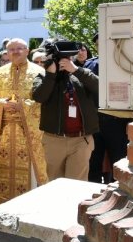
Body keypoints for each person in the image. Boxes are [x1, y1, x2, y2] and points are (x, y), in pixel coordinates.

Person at [0, 38, 48, 204]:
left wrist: (24, 106)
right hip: (3, 130)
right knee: (2, 167)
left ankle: (30, 205)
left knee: (30, 169)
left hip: (28, 131)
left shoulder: (39, 72)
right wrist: (1, 104)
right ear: (7, 53)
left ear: (27, 51)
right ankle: (0, 205)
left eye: (19, 49)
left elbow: (45, 98)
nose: (15, 52)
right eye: (11, 49)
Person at [32, 42, 100, 182]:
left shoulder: (81, 73)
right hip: (54, 140)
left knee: (77, 184)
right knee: (54, 183)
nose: (65, 61)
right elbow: (39, 97)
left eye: (68, 57)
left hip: (81, 140)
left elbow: (100, 87)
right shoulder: (43, 76)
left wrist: (75, 70)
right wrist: (51, 75)